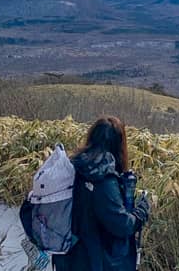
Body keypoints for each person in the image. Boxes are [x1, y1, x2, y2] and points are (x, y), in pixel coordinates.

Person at [54, 116, 150, 271]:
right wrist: (142, 210)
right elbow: (122, 225)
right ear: (119, 144)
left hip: (69, 257)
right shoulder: (102, 177)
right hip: (93, 261)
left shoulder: (74, 166)